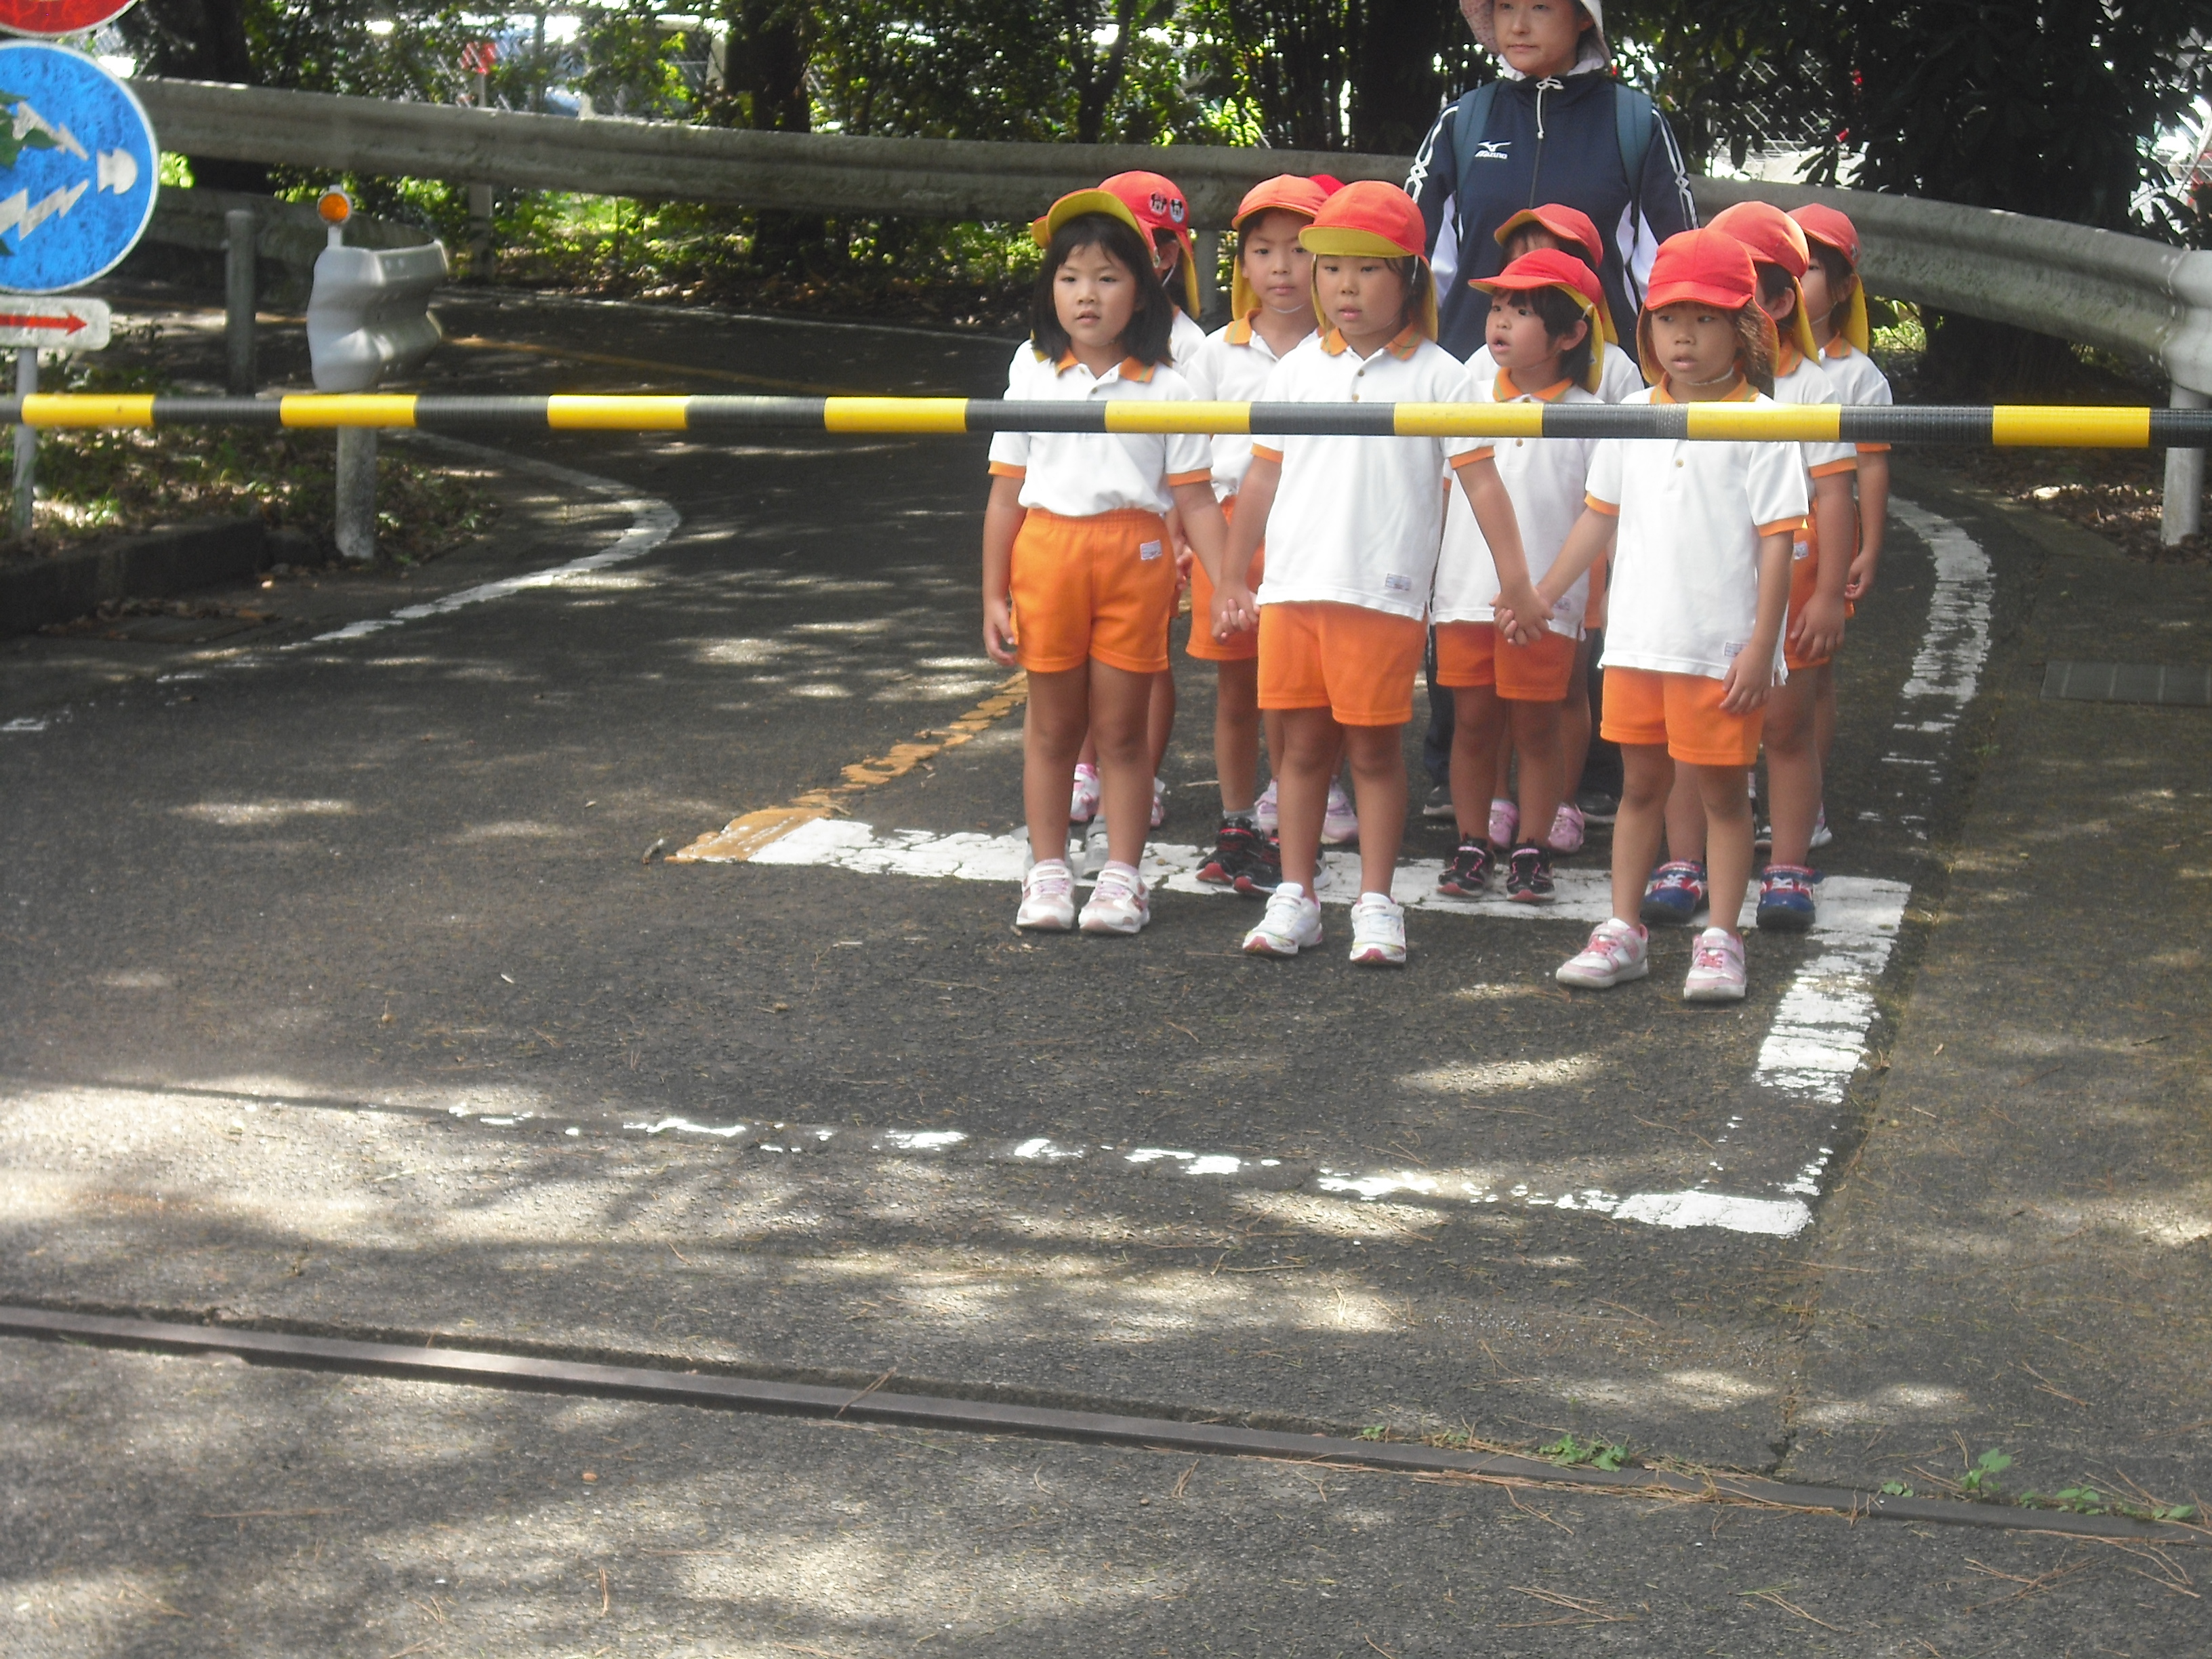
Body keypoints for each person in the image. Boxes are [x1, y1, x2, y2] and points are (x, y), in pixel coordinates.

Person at [1208, 181, 1530, 968]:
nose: (1344, 286)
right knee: (1300, 754)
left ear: (1410, 276)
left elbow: (1485, 485)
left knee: (1376, 753)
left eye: (1367, 268)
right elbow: (1259, 478)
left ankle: (1377, 902)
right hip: (1293, 590)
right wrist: (1231, 577)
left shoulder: (1442, 376)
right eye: (1331, 268)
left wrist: (1517, 581)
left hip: (1382, 595)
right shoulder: (1295, 372)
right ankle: (1297, 895)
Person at [1534, 228, 1807, 1002]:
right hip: (1637, 644)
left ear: (1743, 328)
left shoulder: (1765, 421)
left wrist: (1763, 646)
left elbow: (1779, 544)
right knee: (1640, 788)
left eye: (1705, 319)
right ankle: (1624, 929)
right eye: (1667, 319)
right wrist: (1542, 594)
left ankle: (1721, 939)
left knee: (1723, 797)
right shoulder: (1629, 413)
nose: (1682, 337)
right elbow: (1598, 518)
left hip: (1718, 650)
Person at [983, 188, 1229, 937]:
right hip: (1047, 553)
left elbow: (1196, 502)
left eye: (1107, 278)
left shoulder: (1171, 386)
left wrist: (1227, 583)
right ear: (1050, 289)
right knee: (1053, 728)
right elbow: (1005, 494)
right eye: (1069, 278)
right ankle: (1048, 868)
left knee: (1122, 732)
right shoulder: (1031, 371)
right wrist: (992, 593)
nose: (1086, 295)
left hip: (1136, 554)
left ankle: (1123, 874)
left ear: (1143, 291)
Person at [1431, 247, 1605, 905]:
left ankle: (1533, 844)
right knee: (1472, 722)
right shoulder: (1464, 399)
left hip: (1545, 604)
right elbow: (1442, 494)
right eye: (1498, 307)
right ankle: (1472, 839)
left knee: (1537, 726)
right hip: (1465, 595)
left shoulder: (1592, 415)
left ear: (1570, 335)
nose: (1500, 321)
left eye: (1522, 312)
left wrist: (1556, 593)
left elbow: (1599, 514)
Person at [1707, 200, 1856, 933]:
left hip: (1793, 584)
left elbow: (1835, 494)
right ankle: (1691, 859)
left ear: (1776, 302)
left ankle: (1790, 862)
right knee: (1705, 734)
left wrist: (1829, 593)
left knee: (1786, 729)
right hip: (1711, 585)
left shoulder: (1811, 388)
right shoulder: (1700, 384)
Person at [1183, 174, 1332, 894]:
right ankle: (1238, 820)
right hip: (1229, 534)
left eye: (1300, 250)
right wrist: (1192, 542)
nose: (1282, 267)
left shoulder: (1340, 353)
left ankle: (1290, 828)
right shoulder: (1216, 352)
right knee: (1237, 686)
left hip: (1310, 529)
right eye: (1264, 251)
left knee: (1298, 696)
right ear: (1241, 262)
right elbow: (1189, 460)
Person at [1408, 0, 1696, 362]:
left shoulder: (1637, 124)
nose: (1518, 26)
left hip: (1603, 379)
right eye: (1506, 6)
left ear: (1584, 17)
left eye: (1540, 7)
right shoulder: (1461, 123)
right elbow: (1418, 271)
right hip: (1470, 378)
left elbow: (1672, 272)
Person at [1065, 170, 1209, 833]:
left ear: (1167, 255)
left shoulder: (1189, 348)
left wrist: (1179, 535)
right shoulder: (1066, 341)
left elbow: (1189, 463)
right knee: (1078, 657)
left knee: (1146, 660)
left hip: (1150, 528)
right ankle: (1084, 766)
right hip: (1076, 528)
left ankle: (1140, 774)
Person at [1793, 203, 1893, 809]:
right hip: (1753, 535)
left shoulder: (1858, 376)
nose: (1790, 278)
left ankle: (1807, 798)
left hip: (1820, 538)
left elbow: (1872, 465)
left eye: (1808, 268)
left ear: (1843, 287)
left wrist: (1870, 547)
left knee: (1813, 667)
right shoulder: (1747, 362)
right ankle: (1745, 787)